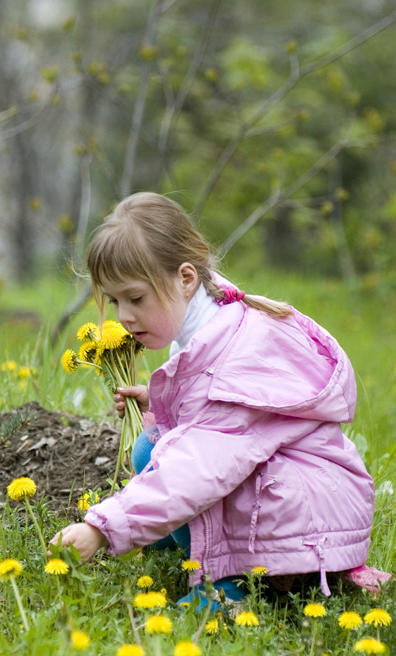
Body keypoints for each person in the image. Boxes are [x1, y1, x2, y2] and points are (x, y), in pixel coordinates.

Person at [49, 191, 380, 606]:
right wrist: (158, 399)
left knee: (183, 466)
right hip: (302, 500)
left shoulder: (228, 362)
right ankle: (188, 554)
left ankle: (224, 591)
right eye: (115, 302)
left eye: (135, 298)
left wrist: (102, 528)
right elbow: (226, 420)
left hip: (306, 527)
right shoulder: (215, 317)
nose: (125, 317)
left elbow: (200, 466)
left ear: (185, 278)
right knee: (149, 449)